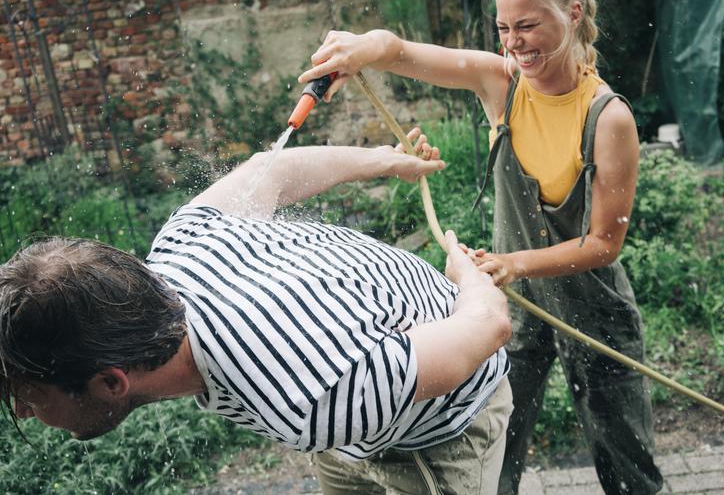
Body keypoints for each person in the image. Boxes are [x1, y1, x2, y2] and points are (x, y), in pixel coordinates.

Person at [298, 0, 664, 493]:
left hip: (594, 309)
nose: (515, 44)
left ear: (574, 13)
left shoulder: (608, 118)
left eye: (529, 26)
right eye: (504, 28)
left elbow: (605, 243)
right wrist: (364, 47)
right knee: (491, 456)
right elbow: (401, 52)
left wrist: (513, 263)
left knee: (629, 467)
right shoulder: (501, 83)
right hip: (503, 308)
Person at [0, 128, 514, 495]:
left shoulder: (308, 395)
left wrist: (467, 279)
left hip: (436, 429)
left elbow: (487, 325)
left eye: (30, 396)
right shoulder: (177, 245)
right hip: (352, 409)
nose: (22, 411)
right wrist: (384, 160)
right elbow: (274, 171)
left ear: (112, 382)